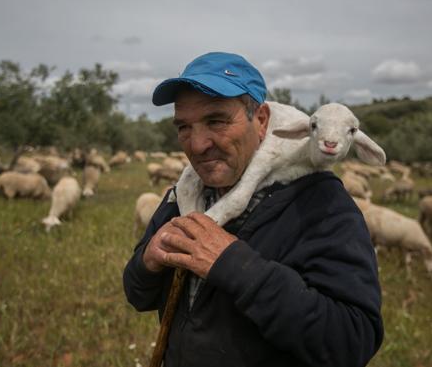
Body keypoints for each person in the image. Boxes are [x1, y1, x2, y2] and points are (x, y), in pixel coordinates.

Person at [123, 52, 383, 367]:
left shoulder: (322, 205)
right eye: (184, 127)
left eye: (215, 121)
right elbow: (139, 295)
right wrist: (147, 263)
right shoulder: (185, 196)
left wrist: (236, 266)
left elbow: (351, 340)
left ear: (260, 121)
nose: (196, 144)